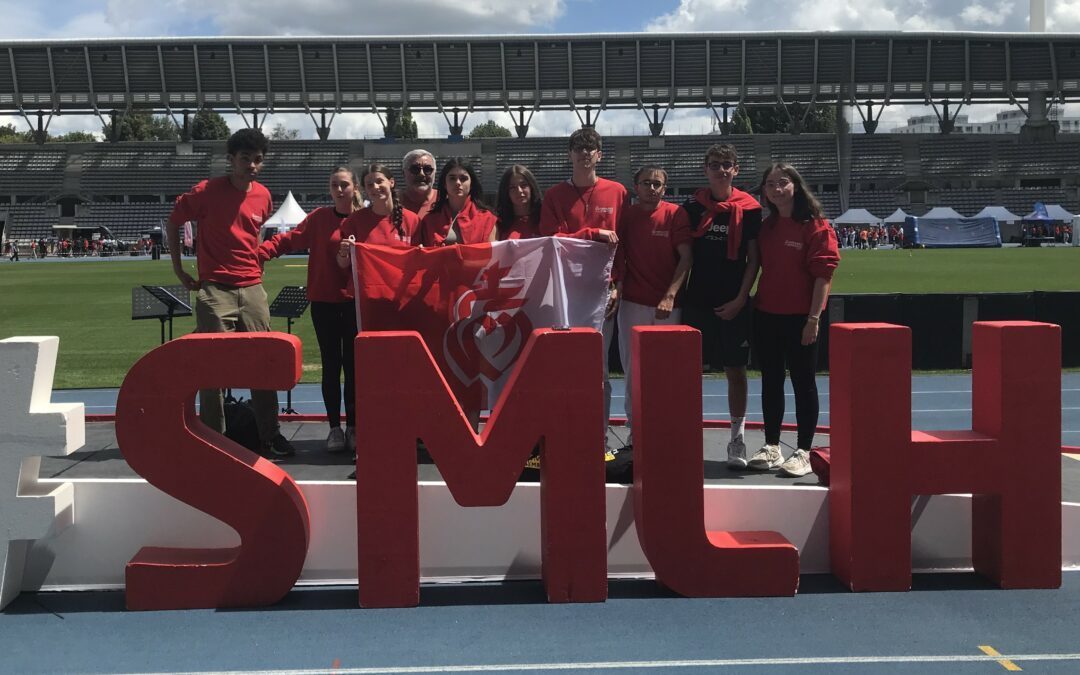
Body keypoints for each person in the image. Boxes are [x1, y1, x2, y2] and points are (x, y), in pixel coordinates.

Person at [166, 128, 295, 459]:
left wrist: (257, 263)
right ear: (231, 159)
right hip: (215, 288)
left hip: (252, 287)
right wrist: (179, 270)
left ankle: (270, 435)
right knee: (211, 366)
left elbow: (250, 236)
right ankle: (214, 438)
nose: (252, 165)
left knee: (262, 364)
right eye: (245, 158)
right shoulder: (206, 192)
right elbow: (174, 221)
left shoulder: (264, 196)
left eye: (258, 160)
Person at [259, 167, 363, 454]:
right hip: (324, 303)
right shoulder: (318, 218)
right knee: (332, 366)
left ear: (355, 188)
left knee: (355, 368)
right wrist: (264, 251)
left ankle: (353, 426)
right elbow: (291, 239)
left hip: (355, 303)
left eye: (344, 185)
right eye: (334, 185)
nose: (339, 190)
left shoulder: (363, 220)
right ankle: (334, 428)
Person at [539, 127, 627, 465]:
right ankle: (561, 435)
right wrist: (591, 233)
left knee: (597, 370)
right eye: (578, 147)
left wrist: (616, 283)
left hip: (600, 293)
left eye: (591, 148)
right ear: (569, 154)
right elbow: (552, 241)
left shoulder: (617, 192)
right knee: (560, 368)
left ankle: (597, 438)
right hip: (562, 292)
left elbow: (624, 245)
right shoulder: (554, 196)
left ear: (600, 155)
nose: (584, 153)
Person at [747, 163, 840, 477]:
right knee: (771, 381)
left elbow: (823, 276)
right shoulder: (768, 226)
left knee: (803, 383)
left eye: (782, 183)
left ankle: (802, 450)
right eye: (770, 183)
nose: (775, 189)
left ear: (796, 187)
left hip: (801, 318)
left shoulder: (815, 226)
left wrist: (813, 318)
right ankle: (772, 445)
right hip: (767, 315)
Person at [681, 143, 761, 468]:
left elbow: (754, 260)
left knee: (735, 370)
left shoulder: (751, 209)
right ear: (705, 169)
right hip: (697, 301)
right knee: (688, 374)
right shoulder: (691, 208)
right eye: (715, 164)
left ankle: (737, 439)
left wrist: (741, 298)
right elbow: (682, 257)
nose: (721, 170)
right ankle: (685, 438)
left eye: (727, 164)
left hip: (734, 302)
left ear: (736, 170)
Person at [614, 165, 692, 449]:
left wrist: (670, 295)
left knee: (667, 372)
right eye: (646, 183)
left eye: (657, 184)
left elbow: (686, 257)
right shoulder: (627, 216)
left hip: (668, 306)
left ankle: (667, 432)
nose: (651, 188)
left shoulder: (675, 214)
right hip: (633, 303)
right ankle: (636, 432)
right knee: (633, 372)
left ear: (665, 189)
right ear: (636, 187)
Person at [421, 158, 497, 247]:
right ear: (445, 184)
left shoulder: (487, 218)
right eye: (452, 178)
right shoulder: (430, 220)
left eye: (463, 178)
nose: (457, 183)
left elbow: (493, 255)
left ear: (471, 184)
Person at [495, 164, 543, 240]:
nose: (519, 191)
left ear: (531, 187)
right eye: (512, 187)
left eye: (523, 185)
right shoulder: (497, 223)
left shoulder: (545, 217)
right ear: (506, 192)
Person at [399, 149, 439, 220]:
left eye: (427, 169)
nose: (421, 174)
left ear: (435, 173)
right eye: (415, 169)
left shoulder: (446, 200)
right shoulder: (392, 202)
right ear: (403, 173)